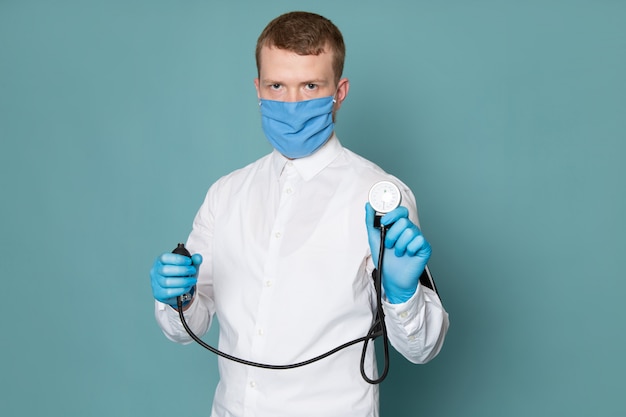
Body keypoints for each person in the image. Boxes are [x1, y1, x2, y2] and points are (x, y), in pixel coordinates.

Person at [150, 11, 449, 417]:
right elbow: (187, 327)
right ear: (257, 88)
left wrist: (403, 293)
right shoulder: (226, 195)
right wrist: (179, 297)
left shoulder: (380, 196)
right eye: (277, 85)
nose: (291, 104)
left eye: (310, 86)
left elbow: (422, 348)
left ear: (339, 91)